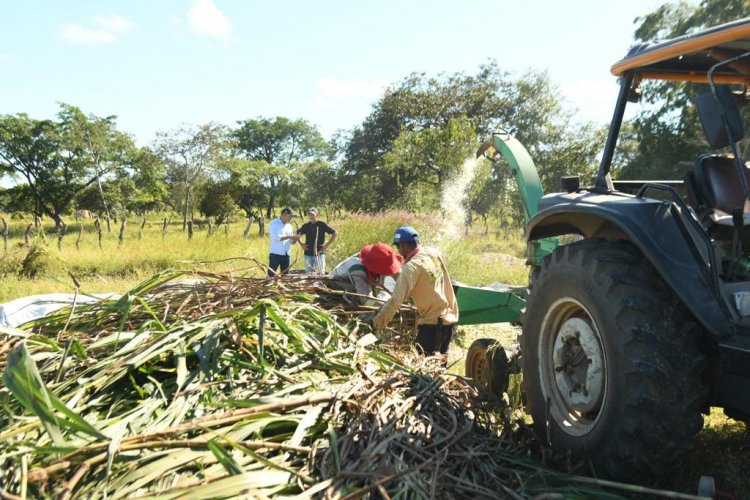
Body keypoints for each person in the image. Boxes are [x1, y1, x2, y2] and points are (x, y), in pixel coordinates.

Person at [371, 226, 458, 355]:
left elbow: (396, 300)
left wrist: (376, 323)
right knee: (439, 365)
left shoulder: (411, 268)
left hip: (432, 324)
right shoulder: (433, 253)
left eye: (398, 247)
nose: (399, 251)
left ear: (402, 245)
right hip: (448, 318)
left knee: (425, 367)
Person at [329, 242, 402, 302]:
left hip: (359, 287)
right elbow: (367, 301)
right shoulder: (358, 270)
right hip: (337, 291)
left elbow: (399, 275)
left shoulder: (376, 258)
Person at [296, 207, 337, 274]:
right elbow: (297, 234)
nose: (311, 216)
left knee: (320, 273)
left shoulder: (322, 224)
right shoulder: (306, 226)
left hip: (319, 253)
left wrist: (327, 245)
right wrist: (301, 244)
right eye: (309, 214)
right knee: (308, 274)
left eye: (312, 214)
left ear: (317, 215)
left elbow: (335, 233)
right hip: (308, 253)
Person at [268, 207, 298, 276]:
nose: (291, 218)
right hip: (276, 254)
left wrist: (296, 239)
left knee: (285, 275)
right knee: (271, 274)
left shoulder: (289, 226)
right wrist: (290, 237)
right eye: (290, 216)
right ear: (284, 214)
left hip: (287, 254)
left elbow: (291, 242)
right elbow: (276, 237)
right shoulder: (274, 223)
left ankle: (283, 286)